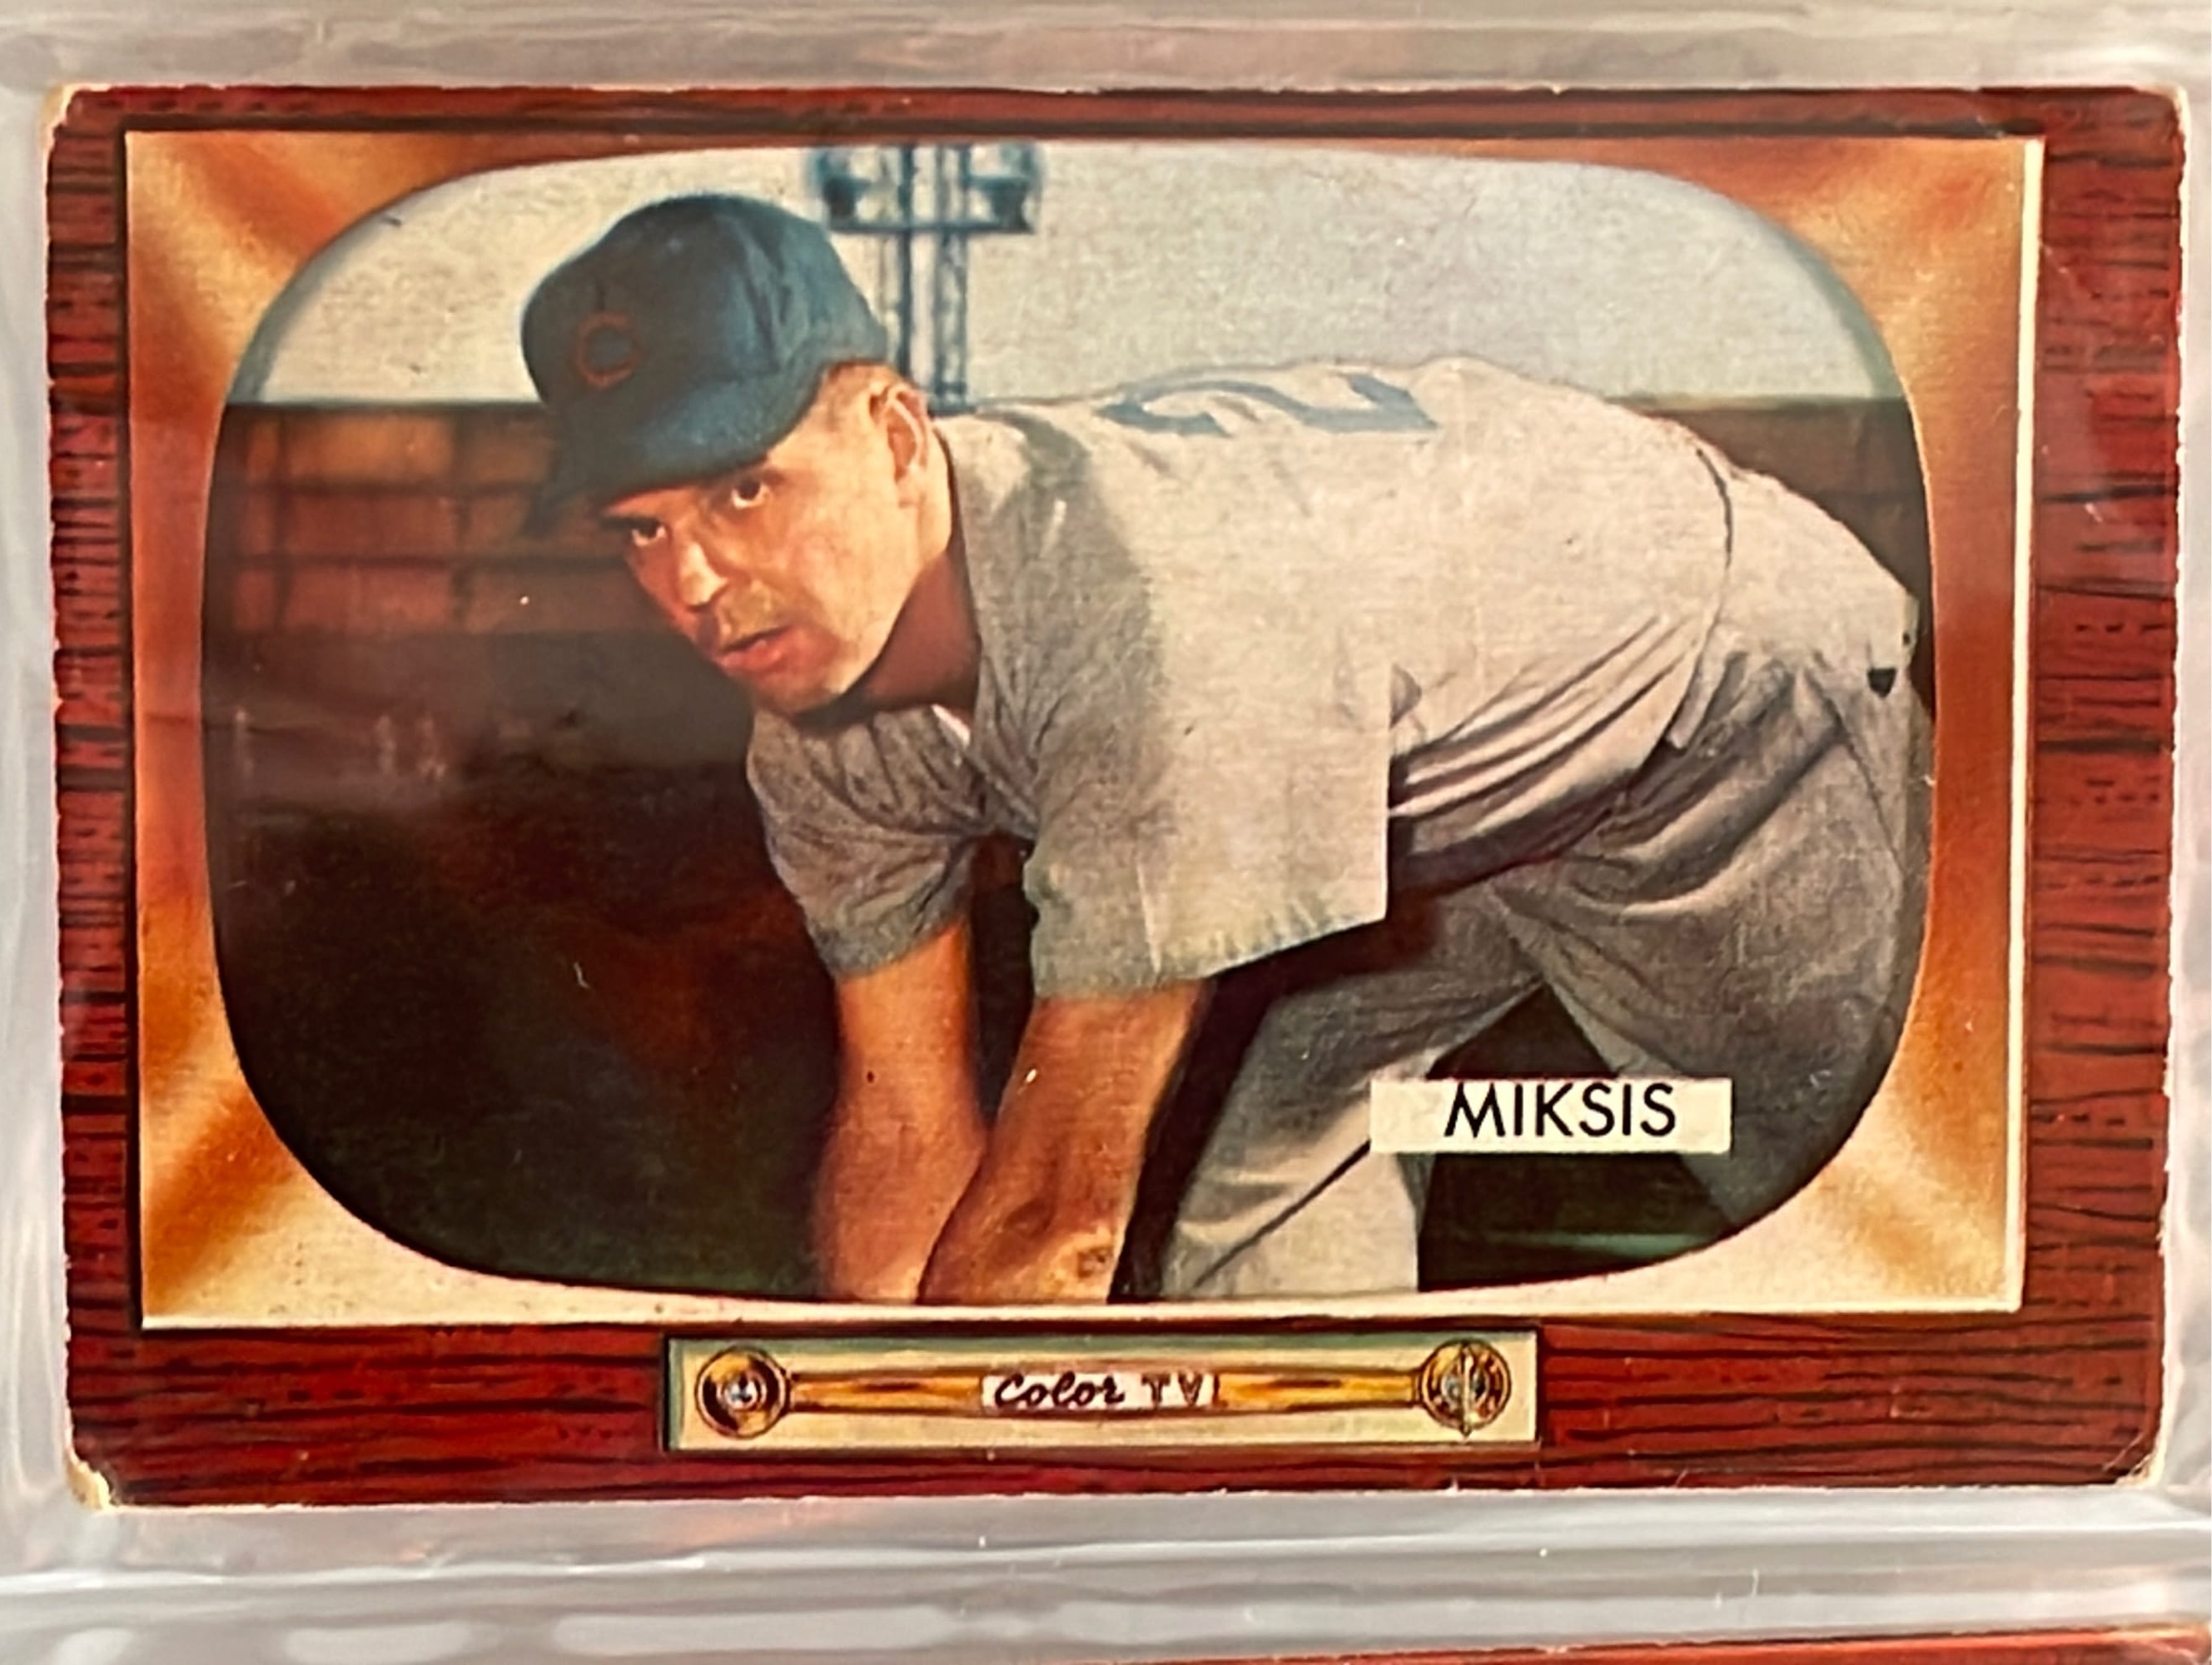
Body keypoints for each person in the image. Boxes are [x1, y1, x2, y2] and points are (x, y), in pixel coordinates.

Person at [521, 191, 1928, 1305]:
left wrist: (926, 1520)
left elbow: (1056, 1225)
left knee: (1860, 1200)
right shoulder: (820, 723)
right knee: (1243, 1235)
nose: (695, 583)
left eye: (746, 491)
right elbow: (904, 1136)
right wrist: (866, 1434)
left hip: (1717, 711)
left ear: (894, 436)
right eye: (644, 529)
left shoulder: (1147, 613)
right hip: (1408, 787)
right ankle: (1326, 1537)